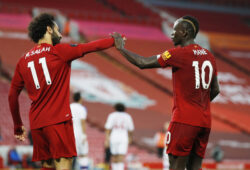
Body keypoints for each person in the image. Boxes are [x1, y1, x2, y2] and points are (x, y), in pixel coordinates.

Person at [8, 13, 117, 170]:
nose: (60, 34)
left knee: (47, 165)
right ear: (48, 29)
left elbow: (12, 95)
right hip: (58, 121)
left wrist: (18, 125)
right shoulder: (59, 51)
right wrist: (114, 41)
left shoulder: (23, 60)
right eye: (57, 29)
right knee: (64, 164)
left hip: (37, 124)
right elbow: (89, 47)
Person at [112, 15, 220, 170]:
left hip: (184, 121)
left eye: (174, 31)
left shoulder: (178, 53)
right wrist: (199, 104)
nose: (171, 34)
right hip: (204, 121)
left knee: (175, 166)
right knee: (195, 167)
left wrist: (120, 48)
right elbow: (216, 89)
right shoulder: (210, 56)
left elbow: (142, 63)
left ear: (184, 33)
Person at [105, 103, 134, 170]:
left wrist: (107, 139)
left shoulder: (112, 115)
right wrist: (130, 137)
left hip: (114, 137)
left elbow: (108, 129)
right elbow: (131, 129)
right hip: (123, 138)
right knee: (121, 156)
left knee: (114, 156)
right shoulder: (127, 116)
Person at [70, 92, 89, 170]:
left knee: (71, 155)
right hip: (79, 134)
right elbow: (83, 122)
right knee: (83, 154)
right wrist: (84, 135)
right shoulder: (81, 108)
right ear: (80, 98)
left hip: (70, 133)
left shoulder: (69, 106)